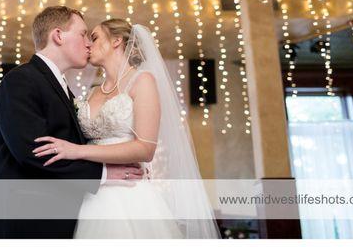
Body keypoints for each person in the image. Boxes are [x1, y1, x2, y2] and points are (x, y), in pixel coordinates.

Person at [32, 18, 221, 238]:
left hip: (128, 194)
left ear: (116, 41)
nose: (88, 44)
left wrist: (76, 150)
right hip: (90, 195)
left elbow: (145, 149)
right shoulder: (93, 92)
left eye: (94, 37)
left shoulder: (142, 81)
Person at [0, 7, 144, 239]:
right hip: (23, 223)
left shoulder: (61, 87)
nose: (88, 44)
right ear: (58, 36)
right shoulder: (21, 80)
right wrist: (104, 174)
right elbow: (35, 152)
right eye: (83, 34)